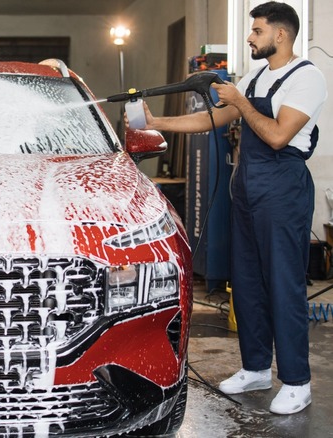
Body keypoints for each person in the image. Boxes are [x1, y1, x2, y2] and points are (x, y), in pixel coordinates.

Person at [129, 1, 327, 415]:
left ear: (280, 35)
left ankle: (296, 381)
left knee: (284, 284)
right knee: (248, 282)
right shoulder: (256, 75)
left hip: (282, 189)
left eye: (257, 31)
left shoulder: (307, 77)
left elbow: (276, 135)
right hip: (248, 186)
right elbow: (213, 120)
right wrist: (156, 123)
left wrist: (240, 99)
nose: (251, 37)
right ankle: (255, 368)